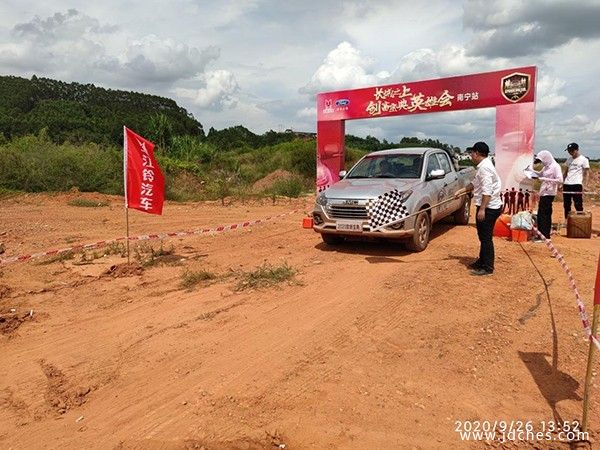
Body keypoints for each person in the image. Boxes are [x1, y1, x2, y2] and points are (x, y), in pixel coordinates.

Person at [462, 141, 502, 276]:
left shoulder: (485, 168)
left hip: (489, 207)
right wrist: (461, 191)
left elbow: (487, 191)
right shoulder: (483, 166)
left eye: (471, 153)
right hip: (488, 205)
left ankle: (487, 267)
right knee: (482, 236)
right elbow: (475, 183)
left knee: (485, 238)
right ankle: (482, 260)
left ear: (477, 153)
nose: (471, 156)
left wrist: (482, 209)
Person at [530, 150, 563, 240]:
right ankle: (541, 234)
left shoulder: (555, 166)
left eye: (542, 160)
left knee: (545, 214)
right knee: (541, 214)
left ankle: (545, 235)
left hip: (549, 193)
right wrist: (531, 171)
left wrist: (544, 179)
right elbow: (540, 174)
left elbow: (560, 180)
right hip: (544, 192)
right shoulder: (546, 167)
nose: (542, 162)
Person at [562, 142, 590, 219]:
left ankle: (580, 221)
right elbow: (565, 172)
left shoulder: (584, 160)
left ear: (577, 150)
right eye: (569, 151)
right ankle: (567, 221)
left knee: (578, 204)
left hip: (577, 184)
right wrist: (562, 183)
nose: (570, 153)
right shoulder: (569, 160)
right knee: (566, 205)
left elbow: (586, 173)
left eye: (572, 151)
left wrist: (585, 185)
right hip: (567, 184)